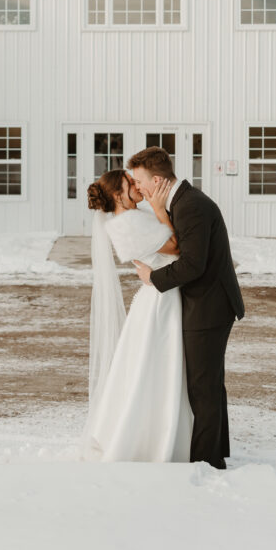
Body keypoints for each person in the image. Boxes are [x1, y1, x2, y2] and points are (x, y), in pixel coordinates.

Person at [129, 146, 245, 470]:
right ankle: (214, 452)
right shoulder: (182, 202)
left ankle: (207, 462)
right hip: (207, 303)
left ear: (155, 179)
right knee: (208, 384)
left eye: (140, 181)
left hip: (209, 306)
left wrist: (152, 276)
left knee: (202, 387)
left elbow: (193, 264)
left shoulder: (190, 206)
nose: (137, 188)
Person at [80, 168, 193, 462]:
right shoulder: (127, 223)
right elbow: (176, 246)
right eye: (130, 183)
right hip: (159, 300)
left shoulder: (130, 219)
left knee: (150, 366)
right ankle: (149, 437)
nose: (137, 185)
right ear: (119, 194)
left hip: (159, 293)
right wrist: (158, 208)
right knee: (156, 365)